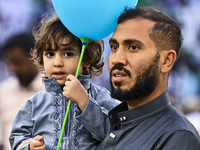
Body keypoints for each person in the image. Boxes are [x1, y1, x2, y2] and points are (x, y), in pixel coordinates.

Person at [96, 7, 200, 150]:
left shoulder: (177, 137)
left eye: (133, 47)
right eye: (114, 47)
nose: (117, 59)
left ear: (166, 60)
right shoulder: (107, 123)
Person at [9, 16, 119, 150]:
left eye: (67, 54)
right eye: (50, 54)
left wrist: (85, 102)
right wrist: (30, 146)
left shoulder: (101, 97)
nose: (57, 63)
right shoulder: (35, 103)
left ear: (86, 59)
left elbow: (117, 134)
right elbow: (17, 137)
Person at [0, 33, 45, 150]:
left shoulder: (51, 90)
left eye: (18, 62)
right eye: (10, 63)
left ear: (34, 58)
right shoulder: (4, 91)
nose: (14, 68)